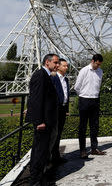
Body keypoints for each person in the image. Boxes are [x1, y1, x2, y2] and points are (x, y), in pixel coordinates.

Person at [26, 54, 59, 185]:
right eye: (55, 63)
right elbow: (36, 99)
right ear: (47, 62)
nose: (57, 65)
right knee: (40, 152)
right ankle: (35, 181)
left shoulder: (46, 76)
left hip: (46, 121)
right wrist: (39, 121)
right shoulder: (41, 76)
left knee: (42, 151)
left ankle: (38, 178)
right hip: (42, 122)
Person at [74, 54, 105, 158]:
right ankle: (82, 150)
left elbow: (98, 86)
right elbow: (77, 86)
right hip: (84, 99)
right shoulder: (84, 70)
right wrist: (83, 95)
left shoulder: (100, 71)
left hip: (95, 99)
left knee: (94, 125)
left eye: (99, 65)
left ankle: (94, 148)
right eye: (97, 64)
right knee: (82, 126)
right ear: (92, 61)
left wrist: (93, 95)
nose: (98, 66)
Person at [50, 58, 70, 165]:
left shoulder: (65, 80)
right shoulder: (53, 78)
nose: (66, 67)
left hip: (62, 110)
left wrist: (66, 110)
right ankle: (52, 157)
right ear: (58, 66)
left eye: (67, 66)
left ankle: (56, 156)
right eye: (64, 66)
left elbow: (66, 95)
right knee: (54, 133)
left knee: (59, 133)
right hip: (55, 110)